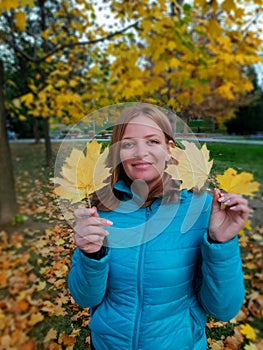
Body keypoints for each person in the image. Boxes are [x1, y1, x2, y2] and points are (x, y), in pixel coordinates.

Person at [68, 103, 249, 350]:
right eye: (129, 143)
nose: (140, 152)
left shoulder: (201, 210)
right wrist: (91, 255)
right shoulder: (100, 208)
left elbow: (224, 308)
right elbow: (85, 297)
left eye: (152, 141)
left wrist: (220, 243)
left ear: (169, 149)